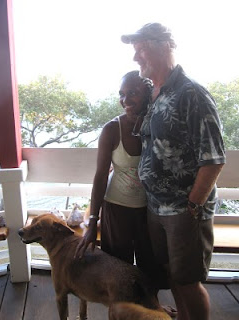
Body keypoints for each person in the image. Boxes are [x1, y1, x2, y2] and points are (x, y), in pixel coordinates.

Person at [121, 23, 226, 320]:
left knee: (188, 281)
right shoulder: (156, 94)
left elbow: (214, 158)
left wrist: (192, 205)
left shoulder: (191, 94)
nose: (136, 58)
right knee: (172, 275)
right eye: (135, 51)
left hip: (184, 210)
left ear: (165, 45)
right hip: (156, 208)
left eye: (141, 49)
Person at [76, 71, 170, 288]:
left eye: (133, 93)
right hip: (116, 209)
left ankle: (149, 308)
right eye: (122, 94)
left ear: (149, 93)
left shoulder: (158, 125)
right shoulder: (112, 129)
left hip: (149, 210)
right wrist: (92, 222)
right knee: (118, 267)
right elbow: (100, 176)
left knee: (151, 266)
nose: (125, 100)